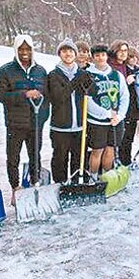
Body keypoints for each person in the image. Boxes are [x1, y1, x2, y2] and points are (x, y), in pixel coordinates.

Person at [0, 34, 49, 203]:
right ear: (16, 50)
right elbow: (1, 95)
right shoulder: (6, 71)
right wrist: (25, 94)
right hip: (15, 123)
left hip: (35, 122)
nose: (25, 52)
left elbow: (46, 96)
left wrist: (42, 118)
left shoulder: (40, 71)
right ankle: (15, 187)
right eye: (21, 49)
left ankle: (35, 184)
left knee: (35, 155)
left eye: (28, 49)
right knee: (13, 157)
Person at [47, 38, 95, 183]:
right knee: (60, 160)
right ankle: (60, 186)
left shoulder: (82, 73)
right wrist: (76, 80)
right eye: (64, 51)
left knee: (79, 159)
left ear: (74, 54)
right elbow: (58, 97)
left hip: (80, 126)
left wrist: (90, 83)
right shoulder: (53, 75)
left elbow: (92, 93)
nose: (67, 54)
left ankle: (76, 185)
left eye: (70, 51)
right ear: (59, 54)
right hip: (60, 127)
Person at [86, 44, 129, 176]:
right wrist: (106, 114)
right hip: (97, 121)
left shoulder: (117, 75)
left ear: (107, 56)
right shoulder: (88, 75)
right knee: (97, 151)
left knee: (110, 149)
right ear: (93, 58)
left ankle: (106, 177)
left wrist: (120, 115)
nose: (100, 58)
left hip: (115, 121)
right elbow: (88, 101)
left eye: (103, 55)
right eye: (97, 55)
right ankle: (93, 177)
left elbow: (124, 96)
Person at [119, 46, 139, 165]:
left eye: (135, 57)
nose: (133, 59)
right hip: (127, 108)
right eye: (131, 57)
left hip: (137, 107)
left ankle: (129, 159)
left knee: (132, 137)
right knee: (126, 138)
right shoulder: (124, 70)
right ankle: (124, 160)